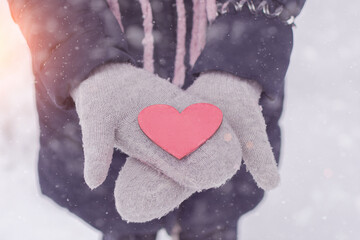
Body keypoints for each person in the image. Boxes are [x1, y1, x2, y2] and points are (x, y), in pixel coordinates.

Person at [7, 0, 306, 239]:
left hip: (229, 106)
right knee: (122, 217)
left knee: (214, 213)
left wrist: (244, 45)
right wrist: (85, 54)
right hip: (99, 108)